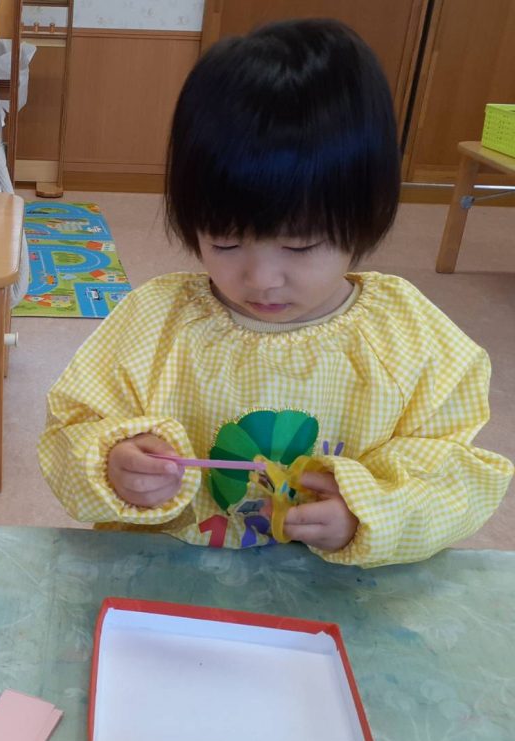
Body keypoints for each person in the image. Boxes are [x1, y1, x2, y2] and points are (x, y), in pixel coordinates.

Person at [38, 19, 512, 567]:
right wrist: (111, 462)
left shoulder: (411, 338)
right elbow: (70, 431)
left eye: (301, 245)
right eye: (225, 242)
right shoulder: (152, 322)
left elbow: (454, 477)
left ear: (367, 216)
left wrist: (370, 512)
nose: (261, 278)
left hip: (330, 598)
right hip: (164, 584)